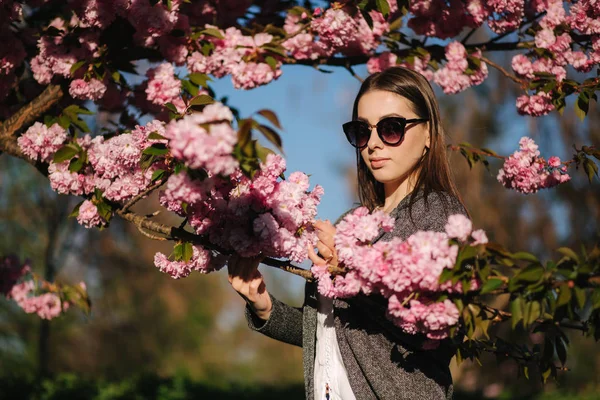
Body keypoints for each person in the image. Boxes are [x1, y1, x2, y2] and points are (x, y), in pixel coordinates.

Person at [227, 66, 469, 400]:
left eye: (391, 128)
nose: (373, 144)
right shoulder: (349, 221)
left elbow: (434, 328)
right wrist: (263, 305)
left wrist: (346, 271)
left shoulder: (437, 214)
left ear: (428, 133)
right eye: (362, 131)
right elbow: (333, 332)